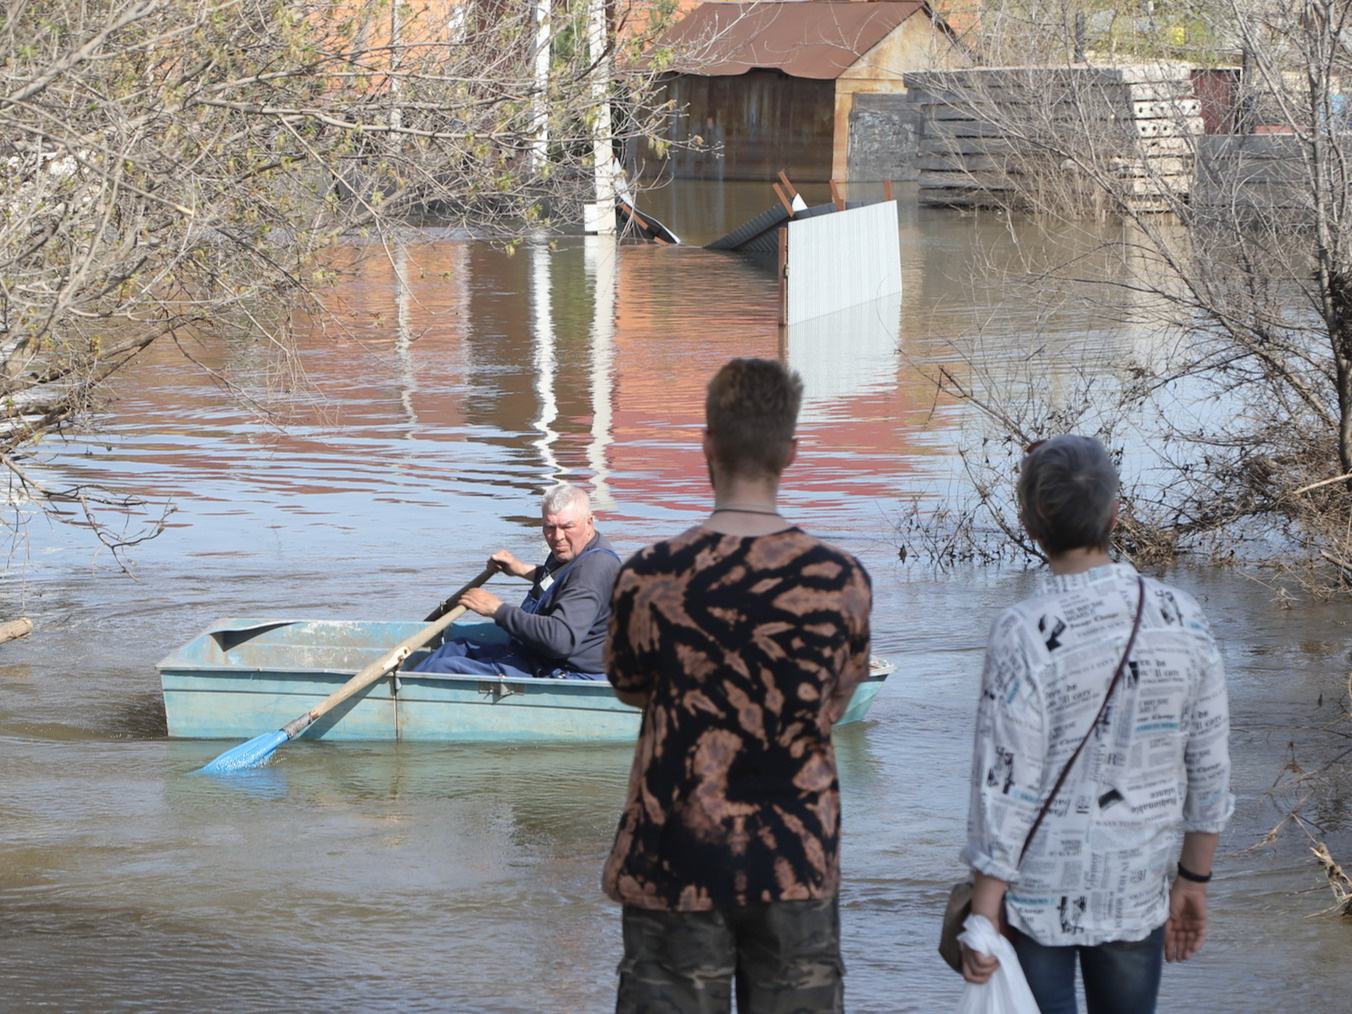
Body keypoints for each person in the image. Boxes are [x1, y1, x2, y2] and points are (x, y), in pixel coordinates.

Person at [602, 358, 873, 1014]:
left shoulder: (649, 576)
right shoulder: (841, 581)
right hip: (795, 859)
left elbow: (630, 688)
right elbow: (836, 703)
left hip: (674, 859)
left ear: (707, 444)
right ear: (791, 452)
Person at [960, 435, 1233, 1014]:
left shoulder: (1022, 631)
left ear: (1030, 524)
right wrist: (1193, 880)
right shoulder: (1182, 616)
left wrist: (984, 910)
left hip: (1035, 894)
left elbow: (1005, 785)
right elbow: (1209, 765)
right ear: (1115, 510)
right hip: (1134, 888)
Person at [415, 483, 620, 680]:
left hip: (565, 671)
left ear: (589, 522)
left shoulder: (593, 570)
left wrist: (497, 609)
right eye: (549, 527)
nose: (557, 537)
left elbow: (561, 640)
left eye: (567, 527)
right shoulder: (576, 550)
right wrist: (519, 569)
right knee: (454, 647)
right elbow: (562, 582)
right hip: (540, 655)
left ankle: (397, 702)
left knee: (441, 668)